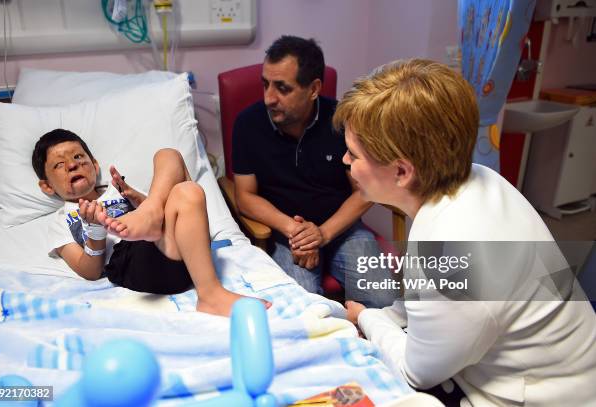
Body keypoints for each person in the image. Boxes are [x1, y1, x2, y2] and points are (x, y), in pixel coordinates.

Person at [336, 60, 596, 406]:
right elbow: (426, 303)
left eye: (353, 154)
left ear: (401, 171)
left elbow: (416, 372)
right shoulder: (481, 178)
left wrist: (366, 317)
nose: (344, 160)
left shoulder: (450, 250)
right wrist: (385, 316)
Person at [232, 35, 395, 307]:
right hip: (286, 236)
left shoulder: (342, 120)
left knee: (385, 300)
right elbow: (245, 196)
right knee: (303, 307)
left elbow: (363, 191)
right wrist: (294, 230)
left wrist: (323, 233)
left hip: (343, 229)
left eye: (282, 88)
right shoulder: (248, 124)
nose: (269, 98)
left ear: (314, 88)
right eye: (265, 85)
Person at [33, 128, 267, 317]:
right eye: (59, 165)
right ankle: (152, 215)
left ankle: (209, 293)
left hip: (184, 253)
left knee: (177, 170)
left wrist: (140, 200)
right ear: (47, 186)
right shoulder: (62, 220)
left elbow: (172, 212)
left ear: (95, 166)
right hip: (133, 264)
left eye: (77, 157)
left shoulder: (118, 190)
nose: (72, 165)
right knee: (167, 204)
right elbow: (90, 272)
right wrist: (95, 230)